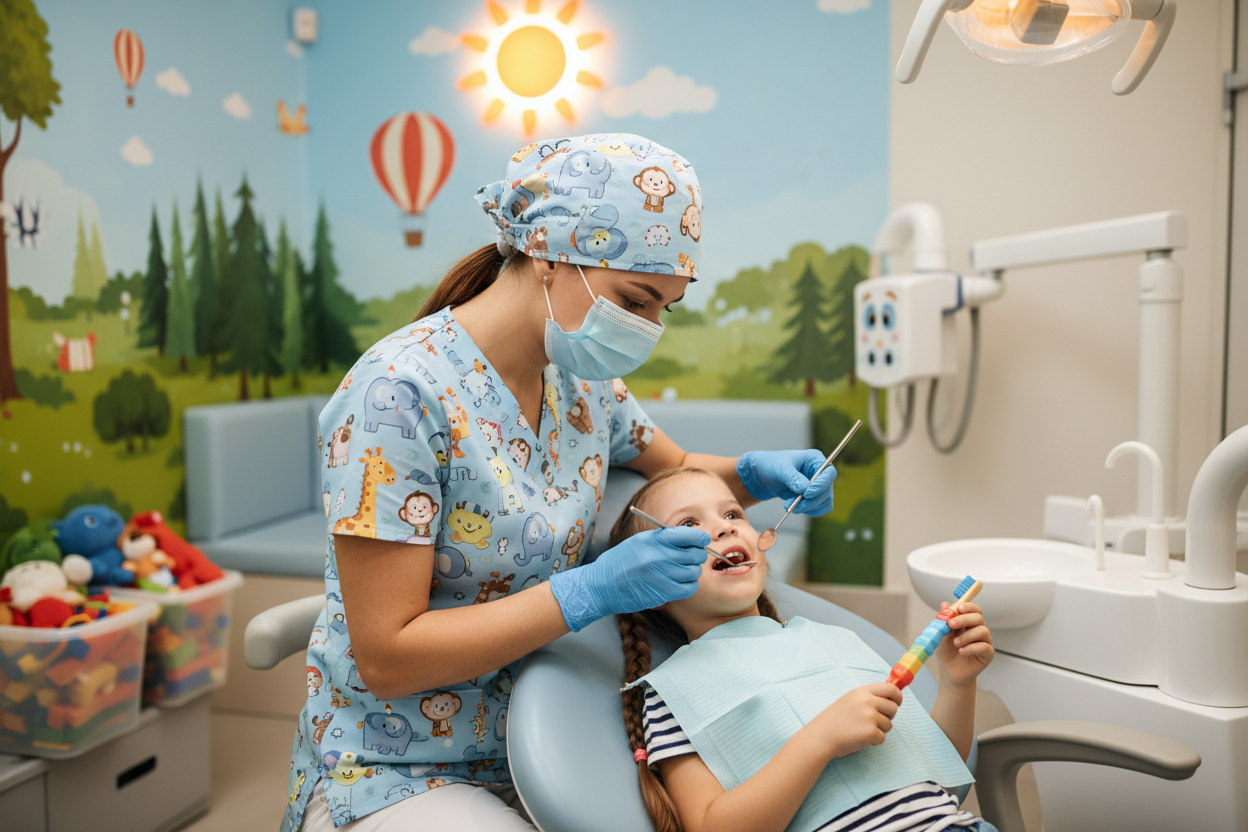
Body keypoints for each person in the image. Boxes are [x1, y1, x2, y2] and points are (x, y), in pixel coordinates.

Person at [284, 134, 842, 831]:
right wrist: (589, 592)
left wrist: (756, 474)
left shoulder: (580, 379)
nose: (648, 329)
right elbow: (388, 658)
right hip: (399, 765)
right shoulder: (396, 396)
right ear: (549, 252)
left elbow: (676, 469)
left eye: (665, 307)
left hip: (561, 730)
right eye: (636, 300)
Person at [613, 467, 998, 832]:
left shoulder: (837, 642)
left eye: (732, 512)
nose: (724, 526)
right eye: (687, 525)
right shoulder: (674, 696)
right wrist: (819, 740)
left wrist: (957, 684)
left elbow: (938, 776)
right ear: (651, 582)